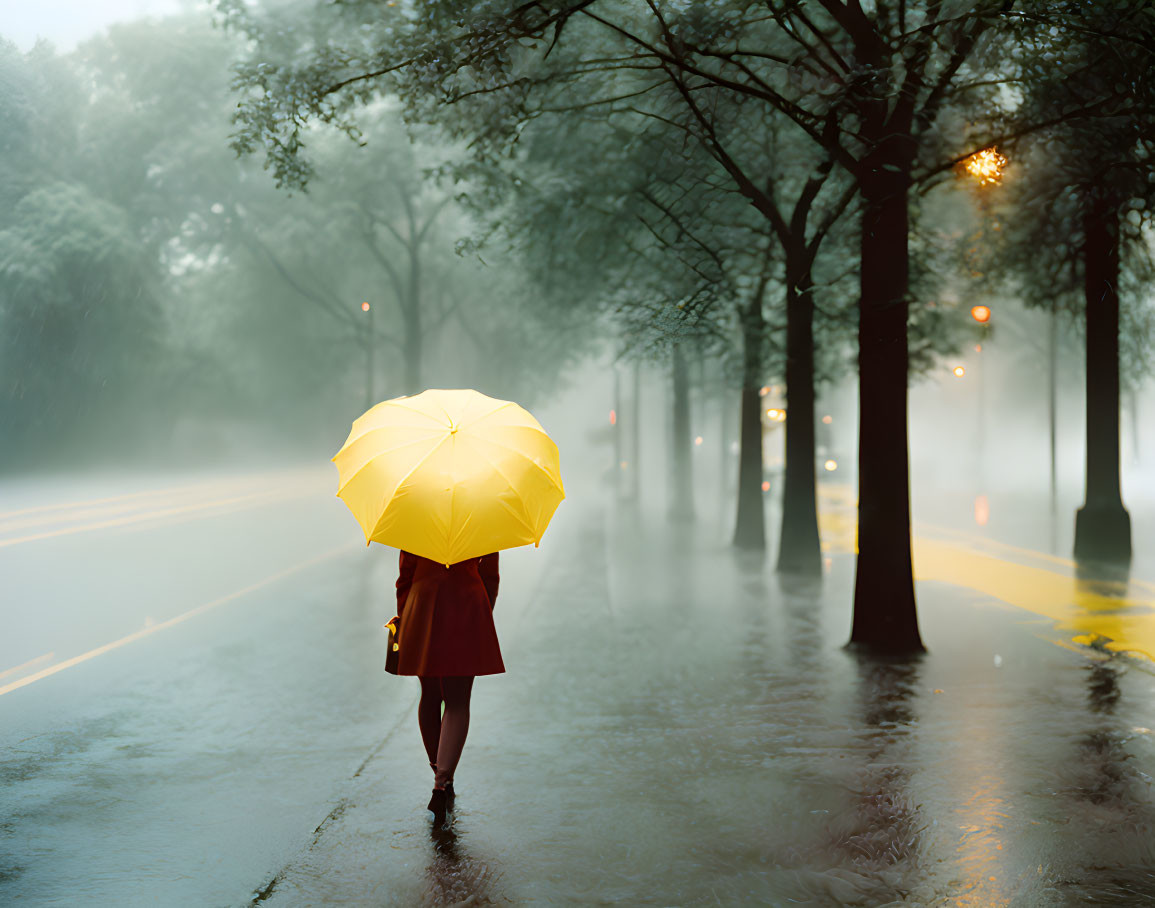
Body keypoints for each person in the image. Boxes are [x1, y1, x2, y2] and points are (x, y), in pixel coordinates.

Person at [394, 549, 504, 825]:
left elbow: (405, 575)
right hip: (467, 603)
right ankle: (442, 783)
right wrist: (481, 609)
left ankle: (438, 769)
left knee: (430, 695)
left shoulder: (416, 511)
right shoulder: (482, 513)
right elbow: (490, 576)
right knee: (457, 702)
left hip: (422, 602)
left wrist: (406, 615)